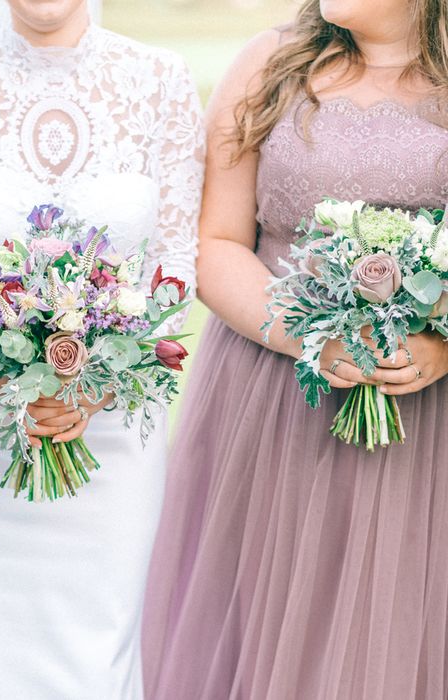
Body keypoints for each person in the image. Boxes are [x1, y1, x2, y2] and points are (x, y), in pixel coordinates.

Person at [0, 0, 204, 696]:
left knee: (94, 655)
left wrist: (90, 386)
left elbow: (175, 268)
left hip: (110, 436)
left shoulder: (161, 78)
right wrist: (4, 378)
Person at [143, 0, 448, 697]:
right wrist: (311, 336)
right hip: (271, 399)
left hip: (424, 428)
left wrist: (442, 348)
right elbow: (215, 244)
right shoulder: (270, 64)